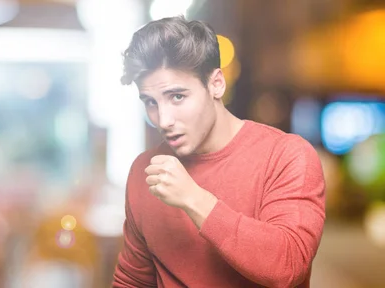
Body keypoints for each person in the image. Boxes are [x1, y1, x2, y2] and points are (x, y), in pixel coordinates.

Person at [112, 16, 325, 288]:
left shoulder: (286, 156)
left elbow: (288, 266)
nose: (163, 119)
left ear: (216, 84)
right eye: (151, 102)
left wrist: (193, 198)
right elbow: (133, 282)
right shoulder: (146, 170)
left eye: (177, 97)